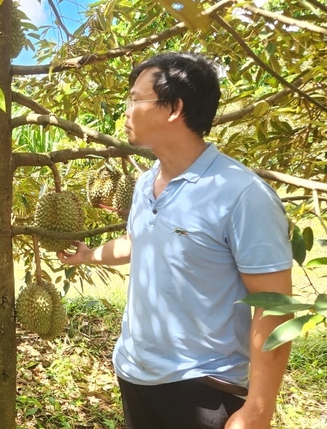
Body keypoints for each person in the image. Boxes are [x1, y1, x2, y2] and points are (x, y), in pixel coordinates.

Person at [58, 53, 293, 429]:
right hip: (135, 371)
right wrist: (90, 256)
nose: (127, 110)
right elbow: (140, 243)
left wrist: (258, 409)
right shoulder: (145, 182)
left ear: (174, 108)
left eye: (136, 99)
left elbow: (276, 307)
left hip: (202, 387)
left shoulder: (242, 194)